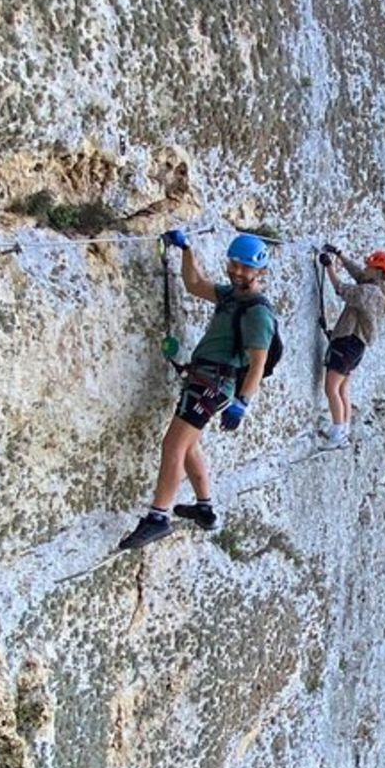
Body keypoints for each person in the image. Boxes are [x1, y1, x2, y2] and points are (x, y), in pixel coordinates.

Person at [117, 230, 277, 551]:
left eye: (246, 267)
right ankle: (205, 509)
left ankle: (158, 517)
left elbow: (258, 363)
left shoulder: (258, 313)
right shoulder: (232, 296)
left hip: (214, 384)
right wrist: (186, 249)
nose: (237, 272)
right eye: (234, 264)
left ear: (260, 271)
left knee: (173, 444)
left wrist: (242, 403)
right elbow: (195, 284)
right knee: (189, 446)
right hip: (204, 380)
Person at [318, 244, 385, 448]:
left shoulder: (368, 292)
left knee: (331, 388)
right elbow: (358, 273)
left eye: (369, 266)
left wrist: (329, 266)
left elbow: (341, 289)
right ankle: (343, 429)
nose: (365, 268)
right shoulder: (377, 289)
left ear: (377, 271)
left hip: (347, 342)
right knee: (343, 388)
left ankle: (337, 433)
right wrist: (340, 255)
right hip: (355, 346)